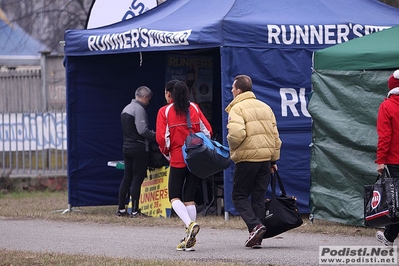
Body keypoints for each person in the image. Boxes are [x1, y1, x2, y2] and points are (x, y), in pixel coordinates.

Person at [225, 74, 282, 249]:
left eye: (233, 88)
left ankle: (255, 226)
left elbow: (236, 134)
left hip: (247, 158)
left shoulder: (237, 108)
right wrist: (273, 160)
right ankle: (257, 238)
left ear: (239, 90)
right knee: (258, 197)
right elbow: (275, 137)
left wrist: (232, 148)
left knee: (239, 196)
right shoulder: (266, 107)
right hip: (265, 159)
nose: (232, 91)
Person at [156, 80, 213, 251]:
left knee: (174, 196)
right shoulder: (194, 108)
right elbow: (207, 132)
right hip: (195, 159)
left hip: (178, 157)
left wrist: (168, 153)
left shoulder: (164, 111)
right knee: (189, 198)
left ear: (168, 94)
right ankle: (189, 239)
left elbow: (161, 138)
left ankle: (189, 224)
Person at [116, 86, 156, 218]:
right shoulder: (139, 110)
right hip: (138, 148)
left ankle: (121, 210)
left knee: (126, 177)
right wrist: (156, 136)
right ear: (144, 97)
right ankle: (134, 211)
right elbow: (142, 130)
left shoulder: (126, 108)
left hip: (126, 147)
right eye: (148, 99)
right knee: (137, 179)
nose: (148, 102)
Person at [375, 70, 399, 246]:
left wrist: (381, 160)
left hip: (394, 160)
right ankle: (389, 237)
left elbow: (385, 136)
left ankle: (389, 238)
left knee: (396, 200)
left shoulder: (387, 106)